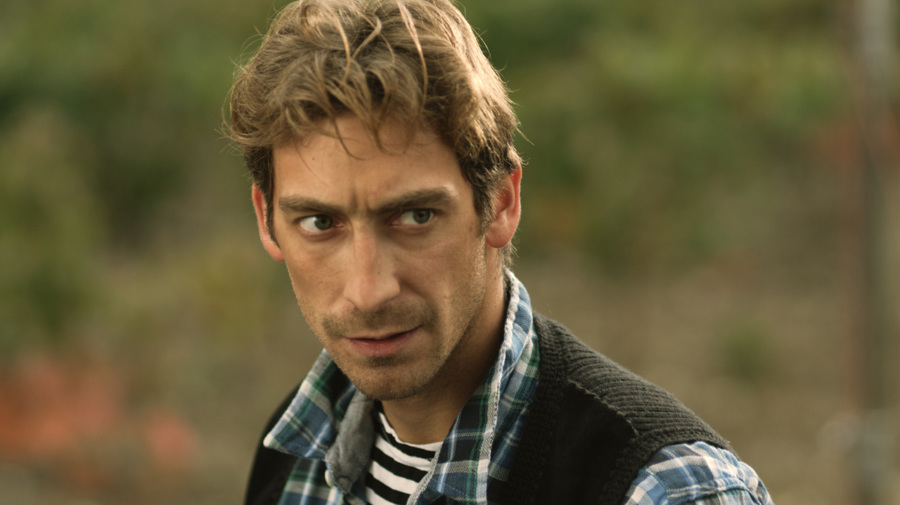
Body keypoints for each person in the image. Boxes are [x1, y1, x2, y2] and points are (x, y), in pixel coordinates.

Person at [227, 1, 775, 504]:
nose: (369, 291)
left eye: (416, 217)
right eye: (320, 223)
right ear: (267, 220)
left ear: (501, 203)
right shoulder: (294, 456)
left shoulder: (668, 491)